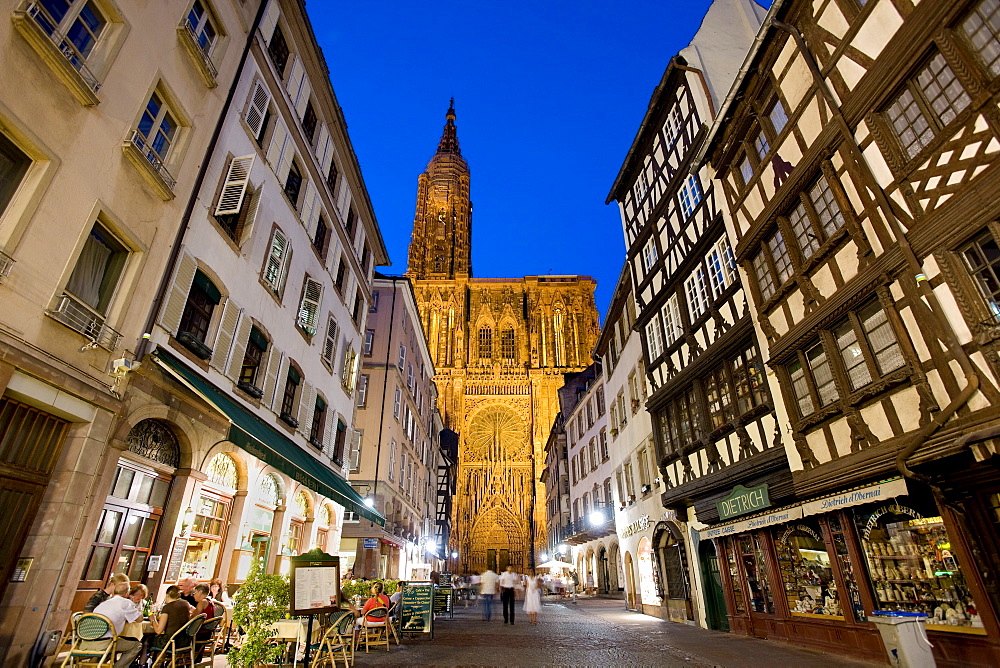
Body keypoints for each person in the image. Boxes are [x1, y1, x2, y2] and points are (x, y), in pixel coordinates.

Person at [84, 582, 142, 668]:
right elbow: (139, 619)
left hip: (86, 641)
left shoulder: (104, 603)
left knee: (116, 640)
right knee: (137, 645)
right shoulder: (126, 603)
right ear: (127, 593)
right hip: (105, 643)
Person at [151, 586, 193, 651]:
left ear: (167, 595)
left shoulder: (167, 607)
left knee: (147, 641)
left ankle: (151, 660)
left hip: (170, 642)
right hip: (184, 641)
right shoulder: (186, 604)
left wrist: (153, 619)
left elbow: (158, 631)